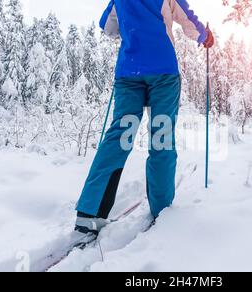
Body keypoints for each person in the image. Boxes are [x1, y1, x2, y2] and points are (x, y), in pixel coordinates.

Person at [74, 0, 214, 236]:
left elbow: (107, 28)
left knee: (119, 136)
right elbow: (187, 19)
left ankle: (90, 212)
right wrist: (205, 36)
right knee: (161, 136)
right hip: (163, 72)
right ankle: (161, 210)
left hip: (129, 73)